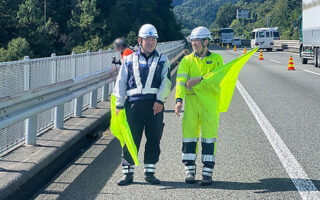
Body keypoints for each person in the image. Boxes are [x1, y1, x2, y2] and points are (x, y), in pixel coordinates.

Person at [113, 24, 171, 186]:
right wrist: (118, 104)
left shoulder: (163, 60)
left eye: (154, 39)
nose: (151, 42)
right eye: (147, 39)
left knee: (154, 138)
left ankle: (150, 172)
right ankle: (128, 174)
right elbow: (121, 82)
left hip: (155, 106)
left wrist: (160, 100)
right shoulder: (129, 59)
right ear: (140, 40)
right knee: (130, 139)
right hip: (133, 105)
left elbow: (166, 83)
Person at [175, 26, 223, 186]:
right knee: (189, 136)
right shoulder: (187, 60)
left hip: (209, 104)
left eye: (197, 40)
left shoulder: (216, 59)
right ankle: (190, 171)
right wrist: (178, 100)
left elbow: (217, 78)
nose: (194, 43)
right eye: (193, 40)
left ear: (206, 41)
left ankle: (207, 173)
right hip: (191, 104)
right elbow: (180, 81)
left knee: (209, 137)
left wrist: (199, 80)